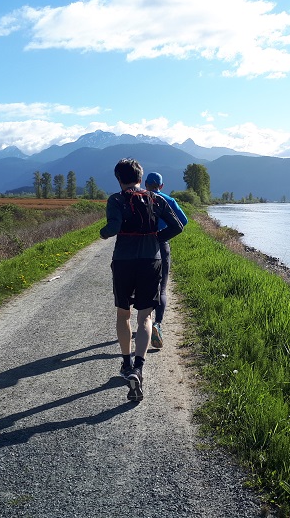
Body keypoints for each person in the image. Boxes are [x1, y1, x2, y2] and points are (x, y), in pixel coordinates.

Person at [99, 158, 184, 401]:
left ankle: (126, 364)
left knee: (123, 314)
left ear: (118, 178)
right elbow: (177, 226)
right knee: (145, 316)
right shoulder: (156, 198)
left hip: (123, 262)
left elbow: (113, 227)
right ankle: (139, 367)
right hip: (151, 261)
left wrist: (103, 233)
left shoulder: (115, 199)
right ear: (140, 177)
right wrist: (156, 238)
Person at [144, 171, 188, 349]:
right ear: (161, 186)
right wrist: (162, 236)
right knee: (162, 288)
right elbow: (182, 221)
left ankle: (144, 323)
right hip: (162, 245)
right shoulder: (168, 200)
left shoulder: (140, 198)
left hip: (143, 246)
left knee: (145, 286)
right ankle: (157, 324)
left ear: (145, 184)